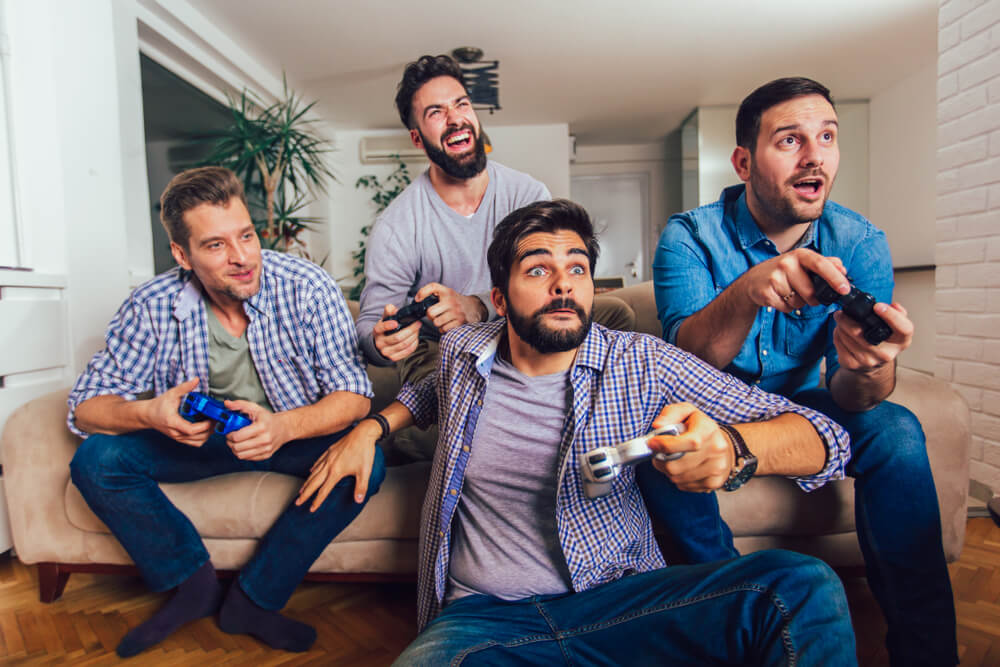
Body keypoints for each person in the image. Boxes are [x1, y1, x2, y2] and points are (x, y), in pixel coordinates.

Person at [302, 199, 858, 665]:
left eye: (577, 269)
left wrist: (735, 449)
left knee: (799, 585)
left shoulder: (642, 362)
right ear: (499, 299)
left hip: (621, 603)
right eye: (538, 270)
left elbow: (826, 437)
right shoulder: (462, 351)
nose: (562, 285)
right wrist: (371, 428)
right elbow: (427, 394)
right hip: (482, 619)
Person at [651, 77, 957, 666]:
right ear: (743, 161)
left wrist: (869, 369)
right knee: (660, 437)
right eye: (790, 140)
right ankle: (741, 615)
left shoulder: (861, 241)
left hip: (800, 406)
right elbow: (687, 362)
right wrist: (747, 292)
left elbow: (853, 395)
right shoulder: (688, 235)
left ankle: (928, 654)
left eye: (826, 137)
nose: (814, 155)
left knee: (894, 427)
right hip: (705, 407)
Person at [67, 166, 386, 657]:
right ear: (182, 254)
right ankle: (191, 586)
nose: (242, 258)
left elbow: (354, 395)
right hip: (201, 441)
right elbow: (86, 407)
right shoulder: (152, 304)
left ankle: (255, 601)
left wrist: (282, 427)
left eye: (247, 236)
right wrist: (150, 414)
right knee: (96, 461)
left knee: (366, 463)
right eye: (215, 245)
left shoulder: (306, 287)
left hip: (290, 433)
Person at [356, 55, 634, 429]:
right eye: (436, 112)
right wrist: (382, 341)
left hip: (518, 324)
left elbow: (548, 277)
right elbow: (371, 324)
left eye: (462, 104)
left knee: (618, 313)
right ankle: (418, 438)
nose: (455, 118)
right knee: (448, 386)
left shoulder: (528, 193)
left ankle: (587, 412)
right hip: (439, 347)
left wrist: (476, 306)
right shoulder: (397, 225)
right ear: (417, 137)